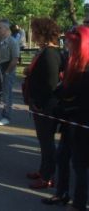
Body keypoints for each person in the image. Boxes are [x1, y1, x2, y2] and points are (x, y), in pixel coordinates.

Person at [43, 25, 89, 210]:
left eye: (70, 40)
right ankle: (61, 193)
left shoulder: (86, 68)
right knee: (62, 157)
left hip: (81, 123)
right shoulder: (74, 61)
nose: (67, 43)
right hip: (69, 121)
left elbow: (81, 97)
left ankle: (79, 203)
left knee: (80, 165)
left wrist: (65, 101)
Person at [24, 18, 63, 189]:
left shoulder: (50, 53)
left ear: (42, 33)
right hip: (40, 103)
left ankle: (48, 176)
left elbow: (51, 83)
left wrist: (39, 102)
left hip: (46, 105)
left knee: (47, 142)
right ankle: (43, 170)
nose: (32, 34)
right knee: (43, 140)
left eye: (34, 31)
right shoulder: (45, 51)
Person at [0, 19, 19, 126]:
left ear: (6, 29)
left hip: (7, 70)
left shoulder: (12, 42)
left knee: (7, 94)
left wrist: (6, 72)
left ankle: (6, 116)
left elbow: (15, 59)